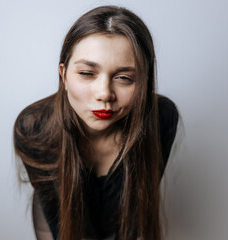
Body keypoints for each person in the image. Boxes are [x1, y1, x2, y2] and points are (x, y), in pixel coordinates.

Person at [14, 5, 180, 240]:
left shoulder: (161, 117)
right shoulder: (34, 128)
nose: (104, 94)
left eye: (124, 78)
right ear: (64, 75)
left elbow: (135, 215)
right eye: (87, 73)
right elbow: (63, 227)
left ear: (143, 81)